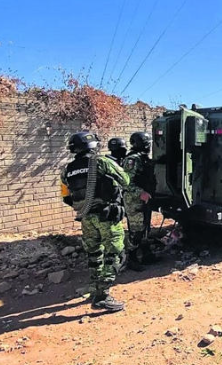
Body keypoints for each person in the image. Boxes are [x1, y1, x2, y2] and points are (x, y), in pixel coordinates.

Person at [60, 132, 130, 311]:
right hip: (106, 216)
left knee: (94, 254)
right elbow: (125, 180)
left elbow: (66, 197)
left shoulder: (67, 169)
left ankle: (95, 287)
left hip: (86, 218)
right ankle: (102, 295)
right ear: (93, 146)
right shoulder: (101, 162)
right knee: (115, 253)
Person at [123, 132, 156, 270]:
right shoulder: (132, 160)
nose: (149, 146)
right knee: (136, 231)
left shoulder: (143, 158)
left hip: (145, 199)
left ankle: (147, 255)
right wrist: (140, 192)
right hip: (134, 200)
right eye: (147, 143)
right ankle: (131, 258)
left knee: (145, 228)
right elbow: (125, 183)